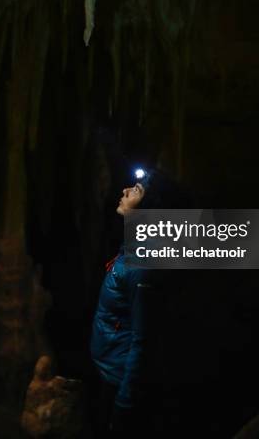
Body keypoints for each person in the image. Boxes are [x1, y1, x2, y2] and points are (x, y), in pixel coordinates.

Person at [90, 167, 187, 437]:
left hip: (120, 382)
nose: (125, 191)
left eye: (136, 191)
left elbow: (143, 341)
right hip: (110, 371)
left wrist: (124, 403)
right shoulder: (134, 249)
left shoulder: (142, 264)